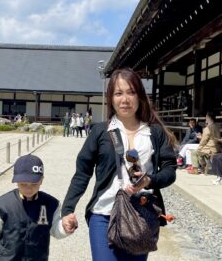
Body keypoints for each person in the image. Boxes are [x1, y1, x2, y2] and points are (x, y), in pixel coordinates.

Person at [60, 67, 177, 261]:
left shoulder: (155, 133)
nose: (125, 99)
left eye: (131, 92)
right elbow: (82, 173)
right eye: (118, 93)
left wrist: (149, 180)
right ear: (111, 99)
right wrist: (68, 209)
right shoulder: (100, 132)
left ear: (140, 96)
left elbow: (170, 171)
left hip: (142, 214)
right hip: (104, 214)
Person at [0, 154, 69, 260]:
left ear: (41, 180)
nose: (29, 189)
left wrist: (65, 228)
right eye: (23, 184)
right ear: (16, 181)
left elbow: (55, 230)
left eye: (34, 184)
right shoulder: (1, 204)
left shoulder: (51, 204)